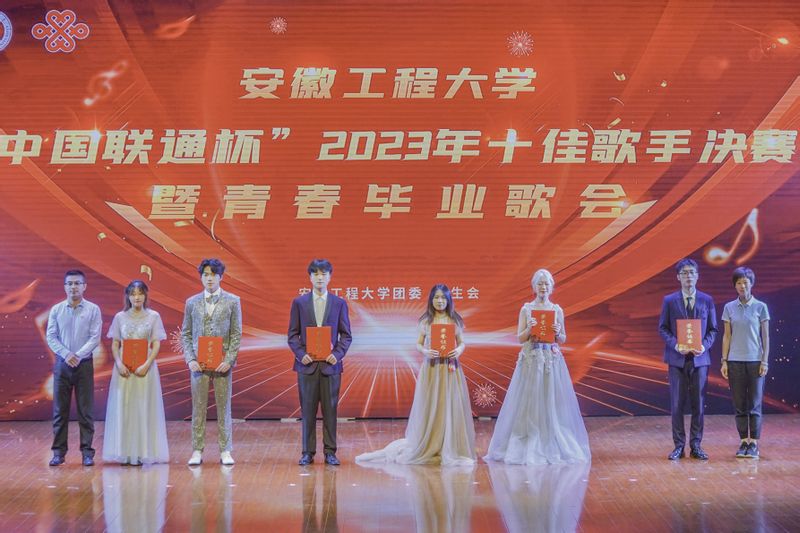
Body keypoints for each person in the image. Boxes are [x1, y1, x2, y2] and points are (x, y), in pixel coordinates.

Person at [356, 284, 476, 466]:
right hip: (432, 368)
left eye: (443, 298)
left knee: (449, 404)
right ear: (431, 300)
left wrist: (458, 350)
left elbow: (462, 342)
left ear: (449, 300)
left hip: (450, 368)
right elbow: (418, 344)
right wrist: (426, 351)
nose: (440, 301)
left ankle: (450, 444)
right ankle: (431, 442)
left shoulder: (454, 320)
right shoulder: (426, 321)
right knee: (432, 404)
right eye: (436, 297)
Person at [485, 269, 590, 465]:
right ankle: (528, 436)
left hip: (550, 360)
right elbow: (520, 338)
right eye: (540, 283)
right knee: (530, 398)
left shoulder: (557, 310)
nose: (543, 287)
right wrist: (530, 328)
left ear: (552, 287)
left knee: (551, 399)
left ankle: (551, 436)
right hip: (532, 359)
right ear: (534, 287)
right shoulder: (526, 309)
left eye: (546, 283)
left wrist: (558, 332)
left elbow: (562, 339)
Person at [288, 259, 352, 466]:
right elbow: (292, 335)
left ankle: (330, 452)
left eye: (324, 274)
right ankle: (307, 452)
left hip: (330, 366)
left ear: (330, 277)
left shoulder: (339, 303)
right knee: (307, 411)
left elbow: (346, 335)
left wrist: (337, 354)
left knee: (330, 411)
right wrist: (301, 354)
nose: (320, 277)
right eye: (315, 274)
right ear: (310, 277)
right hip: (306, 366)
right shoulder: (299, 303)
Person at [182, 258, 242, 466]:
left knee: (224, 407)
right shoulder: (192, 302)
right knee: (198, 408)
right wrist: (190, 359)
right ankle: (197, 450)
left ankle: (225, 450)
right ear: (201, 277)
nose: (209, 278)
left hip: (222, 364)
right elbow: (186, 333)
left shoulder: (233, 301)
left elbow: (236, 333)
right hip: (198, 364)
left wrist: (229, 360)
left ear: (221, 277)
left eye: (213, 274)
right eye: (206, 274)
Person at [103, 280, 169, 465]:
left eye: (140, 293)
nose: (137, 297)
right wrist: (118, 363)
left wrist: (147, 364)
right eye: (133, 294)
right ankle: (124, 453)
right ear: (128, 297)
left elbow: (156, 343)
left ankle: (143, 452)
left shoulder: (154, 316)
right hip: (124, 370)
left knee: (143, 406)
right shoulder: (120, 317)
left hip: (145, 370)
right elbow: (115, 343)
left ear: (146, 295)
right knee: (124, 407)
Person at [658, 258, 718, 460]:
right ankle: (678, 446)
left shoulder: (707, 300)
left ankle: (696, 445)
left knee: (698, 405)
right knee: (677, 404)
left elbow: (713, 329)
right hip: (677, 359)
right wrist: (676, 345)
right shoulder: (669, 300)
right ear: (678, 277)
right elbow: (663, 328)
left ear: (697, 276)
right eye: (684, 273)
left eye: (692, 272)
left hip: (700, 360)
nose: (688, 276)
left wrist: (704, 346)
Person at [46, 269, 102, 466]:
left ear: (84, 286)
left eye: (77, 283)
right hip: (62, 364)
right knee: (59, 411)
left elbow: (95, 337)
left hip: (83, 364)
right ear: (64, 287)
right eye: (69, 283)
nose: (73, 287)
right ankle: (58, 453)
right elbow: (51, 336)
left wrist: (77, 355)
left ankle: (87, 452)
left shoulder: (93, 309)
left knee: (85, 411)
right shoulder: (57, 310)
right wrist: (66, 354)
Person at [721, 267, 770, 459]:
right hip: (734, 361)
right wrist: (724, 361)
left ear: (752, 283)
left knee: (754, 404)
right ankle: (743, 442)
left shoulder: (761, 307)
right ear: (735, 286)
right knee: (740, 404)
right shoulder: (729, 307)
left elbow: (765, 337)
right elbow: (727, 336)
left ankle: (754, 443)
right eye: (739, 283)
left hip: (755, 361)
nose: (742, 286)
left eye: (745, 282)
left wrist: (765, 361)